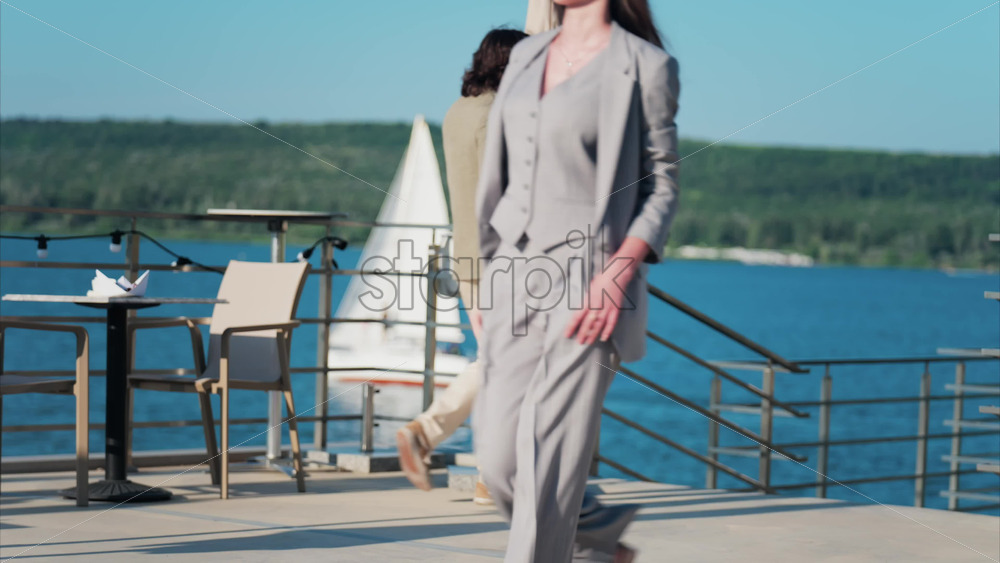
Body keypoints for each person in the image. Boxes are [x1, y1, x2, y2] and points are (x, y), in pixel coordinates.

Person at [473, 0, 680, 561]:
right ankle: (598, 539)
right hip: (513, 269)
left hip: (591, 279)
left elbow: (661, 186)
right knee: (499, 460)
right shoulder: (526, 56)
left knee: (548, 461)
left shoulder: (645, 66)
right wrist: (486, 274)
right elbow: (497, 174)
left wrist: (618, 271)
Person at [396, 28, 528, 503]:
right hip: (503, 257)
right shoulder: (498, 114)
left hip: (469, 258)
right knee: (507, 363)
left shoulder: (458, 111)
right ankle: (428, 432)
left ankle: (489, 476)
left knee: (502, 363)